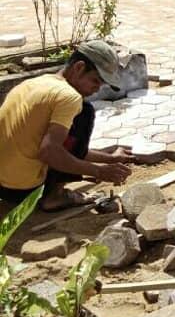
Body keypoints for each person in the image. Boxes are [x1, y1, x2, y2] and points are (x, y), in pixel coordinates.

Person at [0, 40, 134, 211]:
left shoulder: (33, 84)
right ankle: (54, 196)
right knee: (85, 112)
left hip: (3, 186)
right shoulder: (69, 98)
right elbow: (50, 151)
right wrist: (99, 172)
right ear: (79, 68)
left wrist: (110, 159)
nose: (97, 89)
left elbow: (62, 148)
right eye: (95, 80)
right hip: (23, 190)